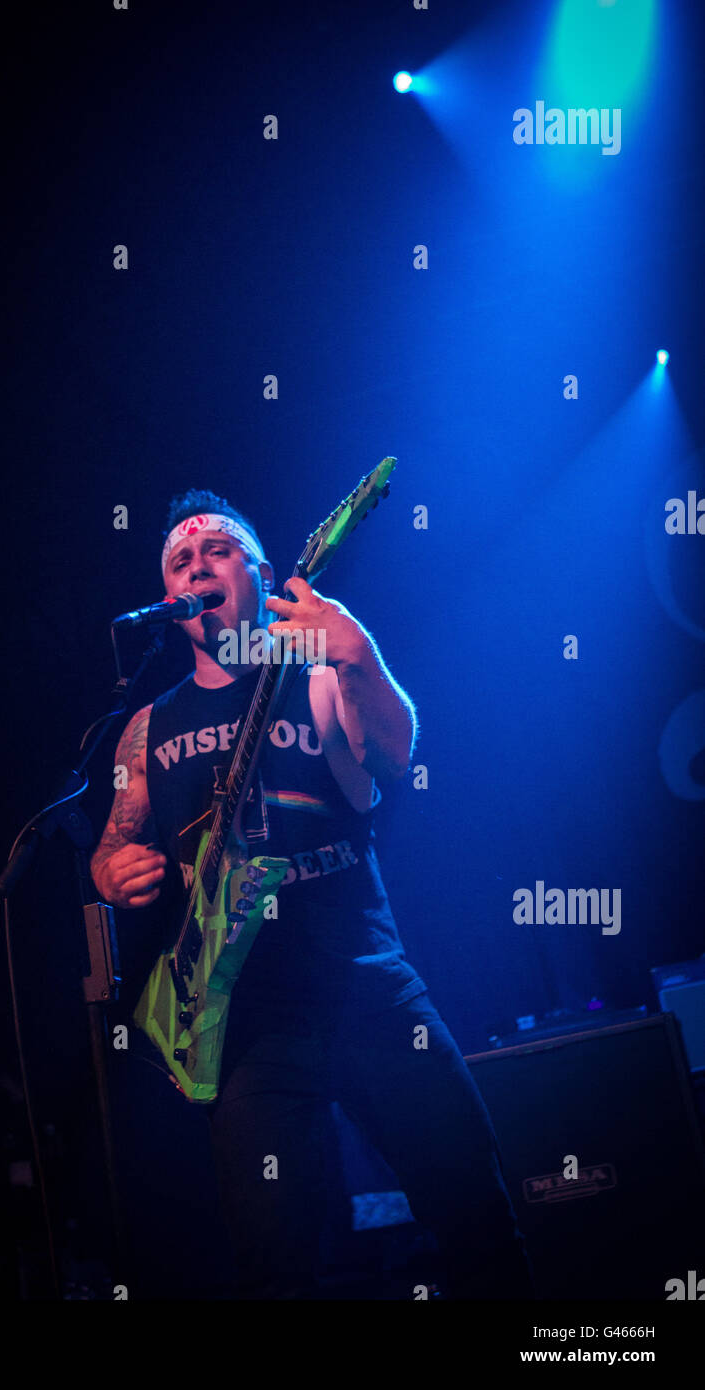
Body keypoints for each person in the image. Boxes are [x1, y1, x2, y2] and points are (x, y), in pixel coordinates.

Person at [90, 489, 534, 1300]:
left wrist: (357, 651)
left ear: (261, 574)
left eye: (217, 551)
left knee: (474, 1208)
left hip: (364, 986)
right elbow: (115, 842)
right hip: (245, 1021)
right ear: (168, 599)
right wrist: (115, 874)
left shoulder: (321, 670)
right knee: (275, 1264)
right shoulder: (147, 728)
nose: (197, 565)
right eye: (180, 560)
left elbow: (394, 758)